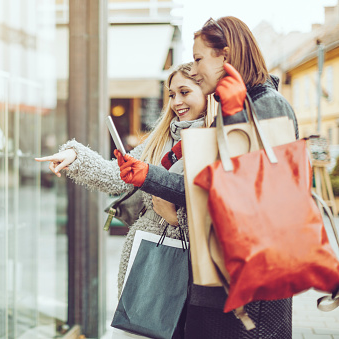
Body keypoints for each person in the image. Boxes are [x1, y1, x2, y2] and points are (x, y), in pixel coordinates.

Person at [116, 16, 298, 339]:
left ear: (225, 56)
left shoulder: (266, 106)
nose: (196, 69)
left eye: (199, 59)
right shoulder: (239, 107)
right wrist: (147, 176)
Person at [35, 62, 209, 303]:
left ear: (207, 90)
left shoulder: (218, 142)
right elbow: (113, 175)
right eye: (171, 95)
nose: (176, 101)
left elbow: (216, 214)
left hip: (190, 262)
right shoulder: (159, 140)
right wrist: (75, 155)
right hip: (144, 254)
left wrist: (174, 219)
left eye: (185, 92)